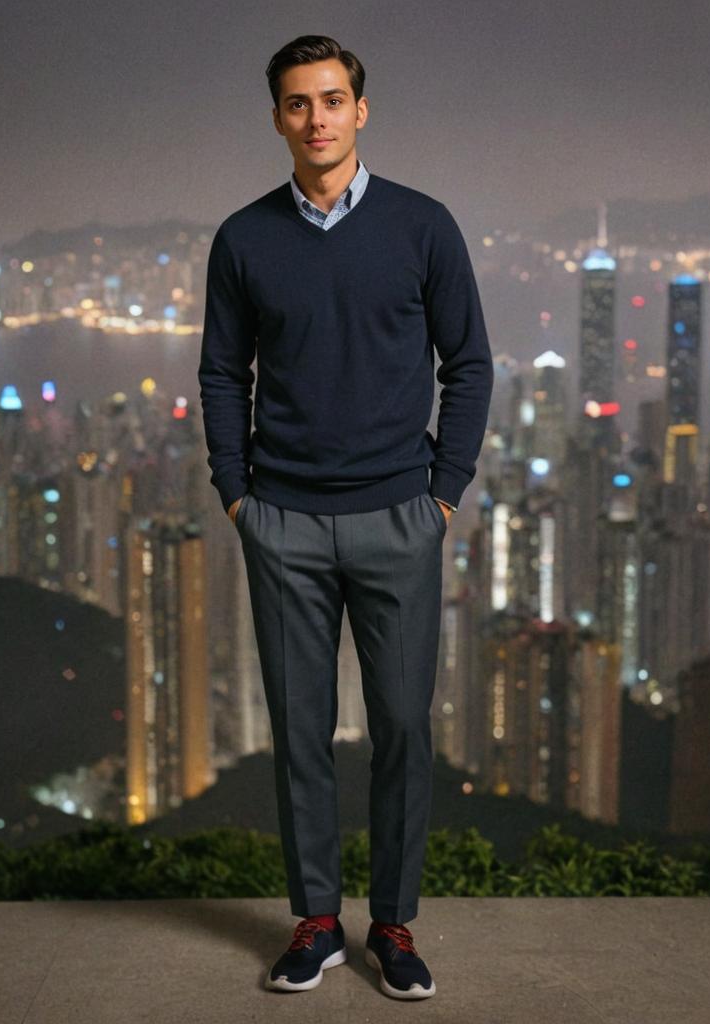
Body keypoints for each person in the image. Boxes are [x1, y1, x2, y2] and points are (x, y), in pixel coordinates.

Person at [198, 34, 493, 1000]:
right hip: (281, 519)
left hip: (399, 516)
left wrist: (442, 493)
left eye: (333, 100)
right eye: (297, 103)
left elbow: (471, 365)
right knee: (301, 731)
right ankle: (317, 921)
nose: (317, 118)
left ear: (361, 111)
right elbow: (220, 372)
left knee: (404, 725)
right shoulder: (243, 238)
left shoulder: (424, 225)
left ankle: (394, 926)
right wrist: (237, 494)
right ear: (277, 118)